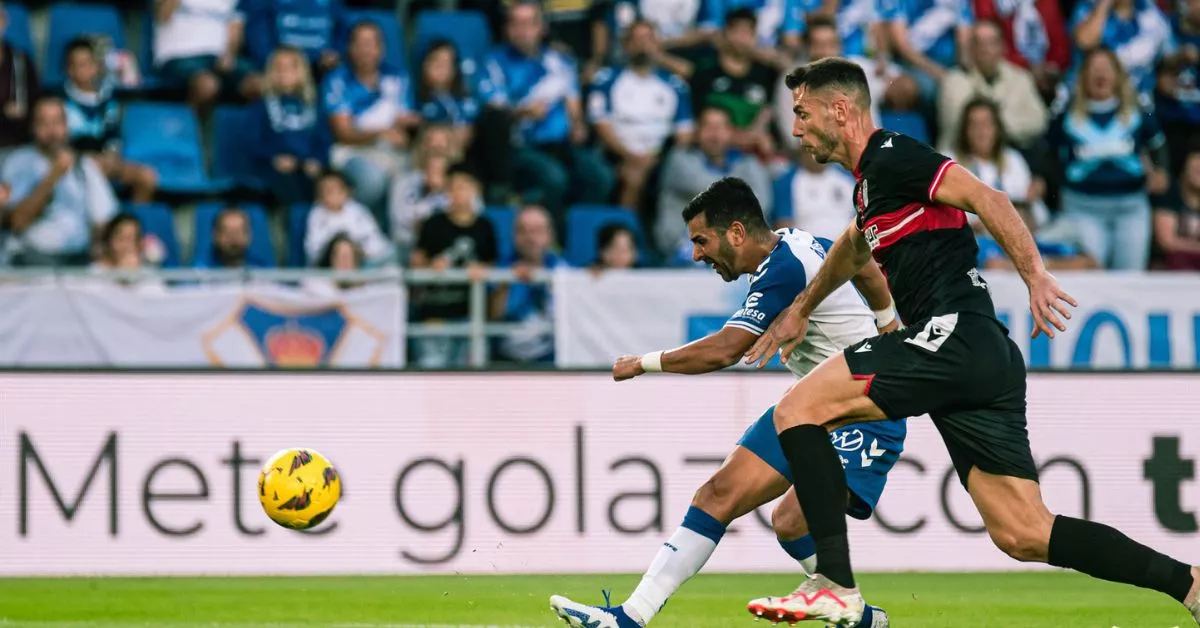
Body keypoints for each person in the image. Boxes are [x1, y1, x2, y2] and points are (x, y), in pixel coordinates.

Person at [739, 56, 1199, 626]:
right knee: (1024, 533)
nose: (796, 128)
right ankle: (1191, 584)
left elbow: (989, 198)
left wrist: (1033, 273)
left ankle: (834, 585)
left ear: (841, 109)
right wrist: (800, 310)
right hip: (981, 356)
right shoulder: (870, 191)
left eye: (803, 113)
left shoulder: (893, 155)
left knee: (797, 408)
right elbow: (854, 249)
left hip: (954, 336)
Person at [549, 177, 901, 628]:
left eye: (701, 240)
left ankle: (854, 611)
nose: (697, 254)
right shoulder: (800, 245)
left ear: (736, 232)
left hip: (865, 410)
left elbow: (725, 350)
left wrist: (642, 363)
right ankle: (627, 618)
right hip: (812, 408)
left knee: (792, 520)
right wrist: (886, 321)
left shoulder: (784, 267)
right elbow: (860, 262)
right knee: (717, 495)